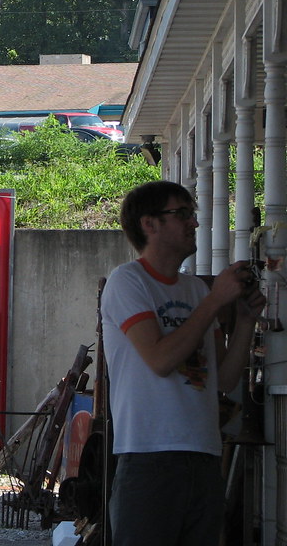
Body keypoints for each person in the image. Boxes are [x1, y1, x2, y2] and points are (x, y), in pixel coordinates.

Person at [102, 180, 265, 546]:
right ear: (150, 224)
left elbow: (224, 379)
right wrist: (214, 302)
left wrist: (245, 321)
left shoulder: (196, 290)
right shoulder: (127, 281)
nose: (194, 223)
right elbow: (160, 360)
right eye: (183, 214)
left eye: (192, 214)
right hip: (149, 456)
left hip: (205, 454)